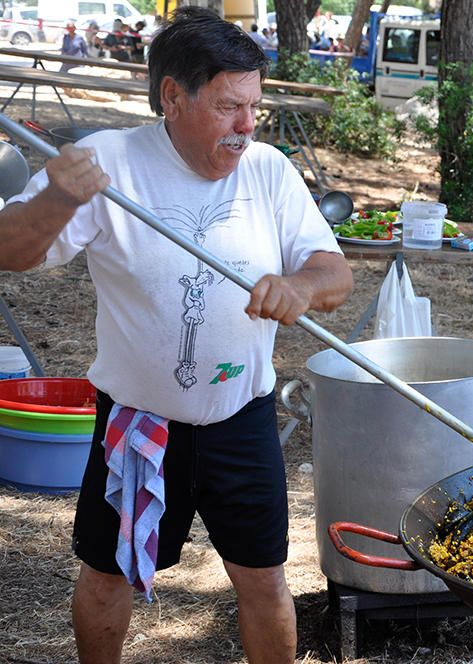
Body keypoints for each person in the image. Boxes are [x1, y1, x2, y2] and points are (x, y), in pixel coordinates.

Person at [0, 7, 354, 664]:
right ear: (172, 96)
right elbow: (10, 251)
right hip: (137, 425)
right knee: (108, 576)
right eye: (228, 107)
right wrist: (55, 201)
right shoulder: (107, 163)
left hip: (241, 418)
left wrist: (300, 288)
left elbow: (334, 272)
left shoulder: (268, 170)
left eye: (253, 106)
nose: (247, 126)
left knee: (263, 578)